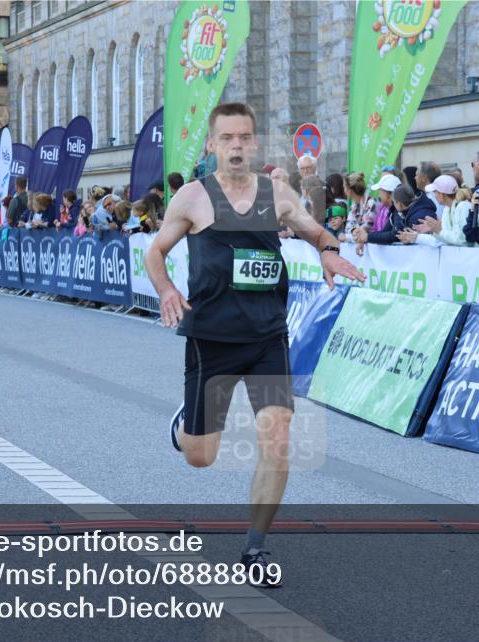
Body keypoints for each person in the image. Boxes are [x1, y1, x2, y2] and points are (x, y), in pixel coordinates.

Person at [144, 103, 364, 584]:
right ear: (212, 144)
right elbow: (155, 251)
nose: (237, 146)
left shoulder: (278, 194)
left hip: (267, 337)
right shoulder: (192, 197)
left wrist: (329, 253)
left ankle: (255, 548)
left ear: (256, 142)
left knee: (278, 438)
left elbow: (318, 233)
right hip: (211, 338)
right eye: (227, 138)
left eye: (244, 137)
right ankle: (185, 425)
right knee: (200, 457)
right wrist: (166, 290)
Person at [402, 174, 470, 247]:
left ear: (442, 194)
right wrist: (418, 237)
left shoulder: (463, 206)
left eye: (435, 191)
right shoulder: (447, 209)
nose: (434, 195)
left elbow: (462, 239)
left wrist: (438, 231)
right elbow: (444, 240)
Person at [342, 172, 378, 243]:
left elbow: (368, 227)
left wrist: (349, 236)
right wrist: (353, 231)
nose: (344, 190)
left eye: (344, 187)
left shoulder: (371, 203)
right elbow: (348, 228)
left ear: (349, 189)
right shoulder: (353, 206)